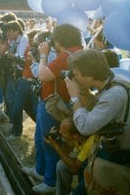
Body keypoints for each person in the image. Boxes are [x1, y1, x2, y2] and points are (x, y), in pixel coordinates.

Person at [23, 24, 83, 194]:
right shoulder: (78, 51)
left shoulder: (66, 56)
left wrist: (43, 56)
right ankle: (40, 170)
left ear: (60, 40)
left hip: (53, 104)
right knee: (41, 138)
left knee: (50, 141)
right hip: (55, 101)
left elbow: (42, 75)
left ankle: (50, 181)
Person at [65, 49, 130, 194]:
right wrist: (84, 93)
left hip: (116, 157)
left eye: (75, 75)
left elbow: (85, 126)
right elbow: (97, 110)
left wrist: (75, 98)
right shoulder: (113, 80)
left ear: (88, 75)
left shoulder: (114, 94)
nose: (74, 79)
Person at [45, 118, 94, 195]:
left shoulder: (90, 143)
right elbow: (67, 155)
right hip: (80, 163)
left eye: (63, 132)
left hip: (90, 169)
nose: (60, 132)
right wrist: (61, 140)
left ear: (75, 136)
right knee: (61, 165)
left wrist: (56, 146)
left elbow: (74, 167)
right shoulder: (77, 136)